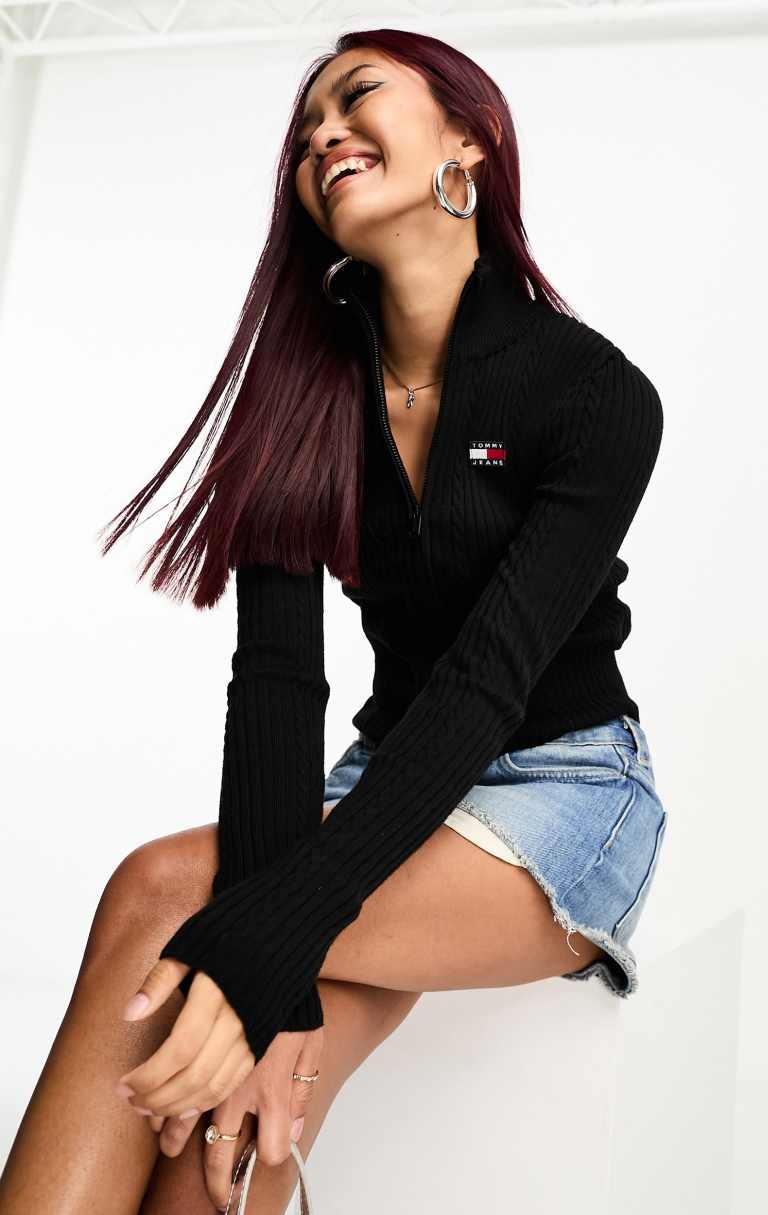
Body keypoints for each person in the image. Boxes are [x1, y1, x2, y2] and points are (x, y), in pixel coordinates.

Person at [0, 28, 667, 1213]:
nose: (322, 135)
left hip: (559, 791)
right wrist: (280, 984)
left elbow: (486, 684)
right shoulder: (302, 393)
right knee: (230, 1106)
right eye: (306, 130)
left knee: (163, 891)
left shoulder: (593, 392)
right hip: (381, 783)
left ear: (470, 139)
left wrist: (271, 941)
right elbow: (276, 684)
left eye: (356, 98)